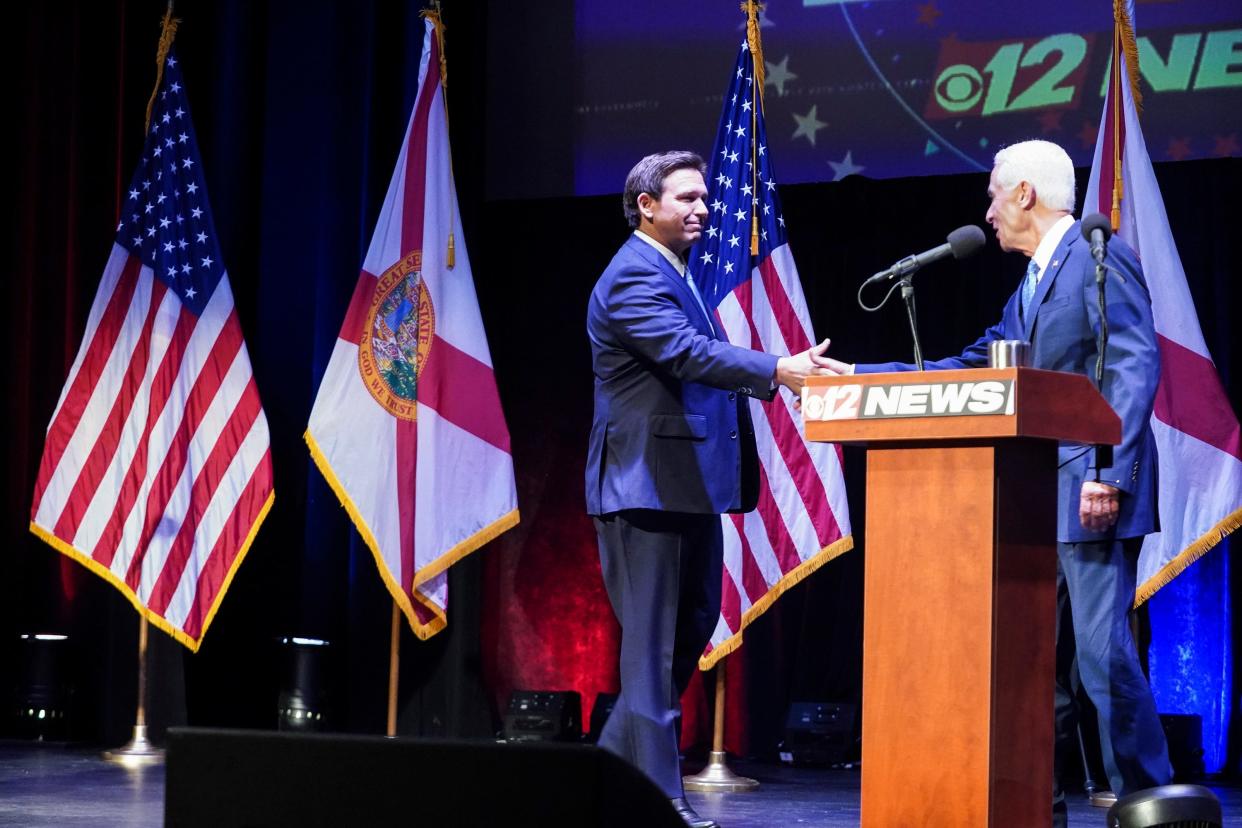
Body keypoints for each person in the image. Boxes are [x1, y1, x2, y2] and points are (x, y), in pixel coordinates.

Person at [823, 139, 1171, 824]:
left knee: (1101, 663)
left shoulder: (1100, 258)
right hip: (1033, 496)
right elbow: (978, 363)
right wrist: (864, 378)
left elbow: (1132, 365)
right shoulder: (1037, 277)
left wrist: (1108, 473)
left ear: (1024, 195)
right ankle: (1035, 805)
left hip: (1089, 491)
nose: (986, 213)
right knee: (1037, 668)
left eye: (992, 195)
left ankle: (1152, 799)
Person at [585, 150, 833, 828]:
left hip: (683, 488)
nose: (702, 209)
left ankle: (604, 775)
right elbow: (686, 353)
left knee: (687, 630)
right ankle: (660, 800)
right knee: (653, 646)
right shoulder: (634, 274)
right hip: (644, 488)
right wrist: (778, 369)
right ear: (647, 205)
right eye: (686, 198)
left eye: (703, 198)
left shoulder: (675, 273)